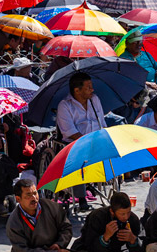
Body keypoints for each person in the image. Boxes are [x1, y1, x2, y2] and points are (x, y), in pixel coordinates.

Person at [56, 71, 106, 211]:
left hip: (96, 139)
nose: (92, 89)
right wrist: (87, 141)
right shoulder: (65, 105)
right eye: (88, 87)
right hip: (76, 143)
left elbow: (101, 122)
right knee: (79, 155)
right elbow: (69, 131)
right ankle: (81, 196)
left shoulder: (94, 100)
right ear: (77, 90)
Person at [5, 178, 72, 252]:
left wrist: (59, 244)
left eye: (35, 193)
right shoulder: (14, 222)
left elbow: (66, 228)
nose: (34, 198)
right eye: (28, 195)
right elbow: (22, 249)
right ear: (18, 199)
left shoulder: (52, 207)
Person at [72, 192, 142, 252]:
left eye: (128, 212)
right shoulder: (97, 217)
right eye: (122, 214)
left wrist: (133, 240)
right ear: (112, 211)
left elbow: (142, 245)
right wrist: (104, 238)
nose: (126, 217)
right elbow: (88, 244)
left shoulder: (133, 219)